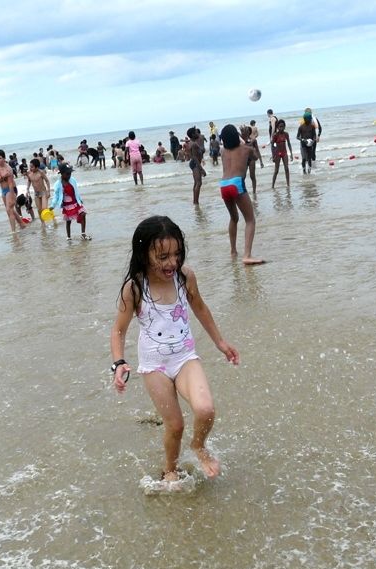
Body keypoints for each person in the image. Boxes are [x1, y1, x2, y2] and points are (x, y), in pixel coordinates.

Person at [110, 215, 239, 482]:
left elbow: (200, 308)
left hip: (185, 357)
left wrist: (220, 342)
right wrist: (119, 362)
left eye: (177, 254)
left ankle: (199, 446)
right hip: (154, 365)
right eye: (163, 256)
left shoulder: (184, 277)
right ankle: (170, 469)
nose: (172, 262)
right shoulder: (134, 288)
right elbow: (118, 329)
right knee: (176, 425)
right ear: (144, 255)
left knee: (205, 409)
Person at [219, 124, 265, 265]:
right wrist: (248, 139)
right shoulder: (246, 149)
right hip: (237, 184)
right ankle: (247, 255)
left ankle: (233, 251)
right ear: (237, 136)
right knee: (250, 220)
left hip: (224, 185)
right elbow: (255, 157)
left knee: (234, 218)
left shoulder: (222, 151)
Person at [49, 164, 90, 240]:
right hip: (67, 204)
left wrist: (80, 199)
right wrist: (52, 205)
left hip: (75, 202)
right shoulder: (58, 184)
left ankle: (83, 234)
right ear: (61, 174)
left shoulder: (72, 180)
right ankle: (68, 237)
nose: (69, 175)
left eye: (70, 173)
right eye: (67, 174)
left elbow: (76, 191)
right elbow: (56, 196)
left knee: (83, 214)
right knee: (68, 221)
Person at [0, 149, 25, 232]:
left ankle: (13, 231)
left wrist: (12, 195)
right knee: (10, 209)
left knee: (9, 210)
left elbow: (10, 183)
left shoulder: (8, 169)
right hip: (3, 190)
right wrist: (2, 177)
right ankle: (22, 224)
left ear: (4, 159)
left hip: (11, 189)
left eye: (0, 158)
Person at [271, 119, 293, 188]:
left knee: (286, 168)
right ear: (277, 127)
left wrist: (291, 154)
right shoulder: (275, 135)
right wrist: (273, 155)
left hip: (284, 152)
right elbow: (272, 146)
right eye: (280, 127)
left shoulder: (286, 134)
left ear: (284, 127)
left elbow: (289, 144)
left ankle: (288, 184)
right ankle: (272, 186)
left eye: (282, 126)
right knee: (276, 171)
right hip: (277, 153)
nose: (281, 128)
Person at [187, 126, 206, 205]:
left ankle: (195, 201)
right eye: (196, 132)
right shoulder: (194, 144)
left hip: (195, 163)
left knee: (196, 183)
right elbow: (194, 157)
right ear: (192, 134)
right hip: (195, 163)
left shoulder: (192, 142)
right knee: (198, 183)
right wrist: (201, 169)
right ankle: (196, 202)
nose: (198, 133)